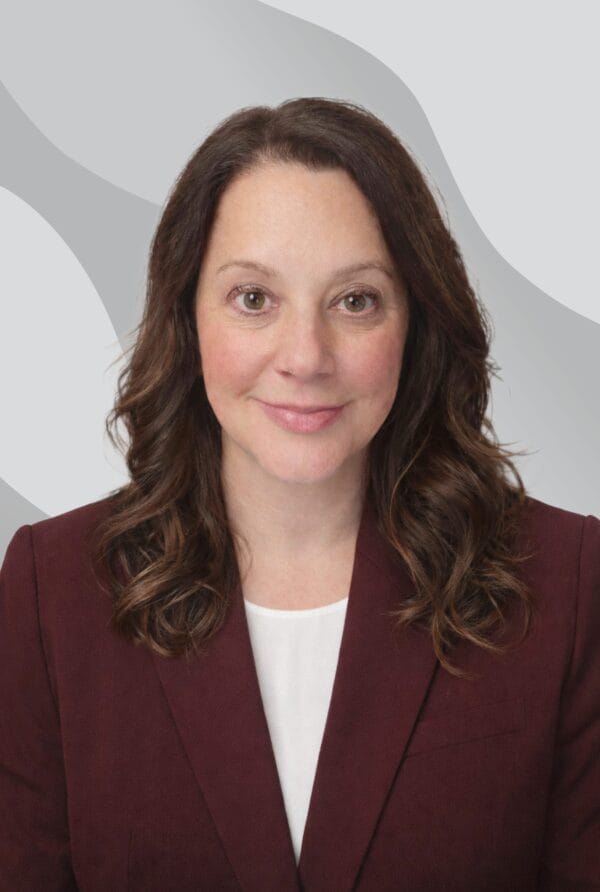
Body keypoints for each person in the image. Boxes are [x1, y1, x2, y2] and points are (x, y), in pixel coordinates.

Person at [0, 97, 598, 891]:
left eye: (355, 301)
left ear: (414, 322)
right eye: (255, 298)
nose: (305, 356)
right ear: (188, 316)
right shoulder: (52, 592)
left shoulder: (568, 583)